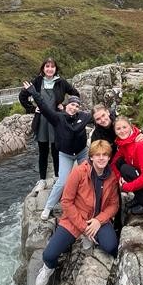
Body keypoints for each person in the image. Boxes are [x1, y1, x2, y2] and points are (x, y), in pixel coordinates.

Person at [34, 139, 120, 285]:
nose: (101, 158)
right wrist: (84, 228)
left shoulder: (111, 177)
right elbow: (66, 201)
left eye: (105, 155)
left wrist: (98, 221)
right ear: (91, 157)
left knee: (111, 247)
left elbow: (114, 205)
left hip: (97, 220)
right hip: (75, 219)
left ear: (109, 157)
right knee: (49, 255)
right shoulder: (79, 172)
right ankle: (49, 268)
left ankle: (93, 237)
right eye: (97, 155)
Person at [22, 83, 92, 221]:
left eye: (77, 106)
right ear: (66, 106)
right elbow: (44, 107)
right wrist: (33, 92)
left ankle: (87, 204)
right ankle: (48, 207)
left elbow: (99, 117)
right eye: (72, 105)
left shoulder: (83, 117)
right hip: (65, 154)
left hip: (82, 152)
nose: (74, 108)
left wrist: (113, 115)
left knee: (88, 178)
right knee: (62, 181)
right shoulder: (58, 118)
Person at [19, 58, 79, 189]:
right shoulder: (37, 81)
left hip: (57, 120)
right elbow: (22, 96)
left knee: (56, 150)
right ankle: (42, 180)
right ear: (43, 68)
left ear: (56, 69)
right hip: (42, 121)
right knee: (43, 151)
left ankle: (57, 177)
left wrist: (65, 106)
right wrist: (32, 109)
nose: (50, 69)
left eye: (52, 66)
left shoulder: (61, 82)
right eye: (47, 66)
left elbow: (75, 94)